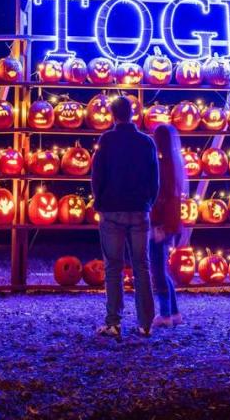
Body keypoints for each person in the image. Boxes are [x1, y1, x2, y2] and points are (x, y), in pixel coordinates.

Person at [90, 95, 158, 338]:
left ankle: (114, 322)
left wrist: (99, 201)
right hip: (140, 210)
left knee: (113, 267)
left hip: (112, 210)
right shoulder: (146, 142)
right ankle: (145, 323)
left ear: (113, 115)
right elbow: (154, 180)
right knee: (142, 266)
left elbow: (97, 176)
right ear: (133, 114)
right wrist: (148, 202)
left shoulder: (107, 140)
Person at [148, 124, 188, 328]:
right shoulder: (174, 162)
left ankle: (164, 314)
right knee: (161, 268)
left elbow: (159, 196)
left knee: (157, 270)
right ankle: (174, 311)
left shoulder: (161, 165)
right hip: (170, 222)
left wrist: (157, 223)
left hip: (160, 223)